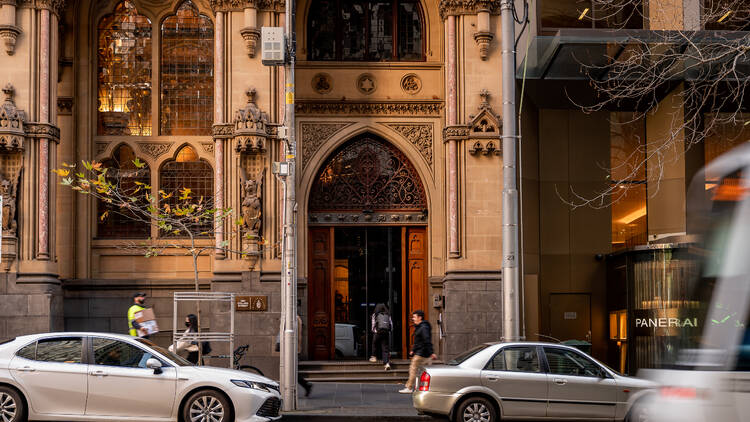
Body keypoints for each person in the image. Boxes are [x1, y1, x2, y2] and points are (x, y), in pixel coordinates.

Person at [400, 310, 437, 394]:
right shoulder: (421, 326)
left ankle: (409, 387)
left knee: (413, 369)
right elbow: (418, 341)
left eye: (414, 317)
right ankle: (426, 387)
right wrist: (413, 350)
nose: (413, 319)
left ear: (420, 317)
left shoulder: (423, 328)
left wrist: (431, 352)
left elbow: (426, 340)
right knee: (424, 372)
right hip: (423, 353)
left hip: (421, 354)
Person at [369, 303, 393, 371]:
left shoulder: (375, 314)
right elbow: (391, 324)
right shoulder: (388, 315)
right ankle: (386, 363)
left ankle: (374, 357)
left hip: (378, 332)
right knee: (385, 348)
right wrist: (389, 331)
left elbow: (373, 324)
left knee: (374, 343)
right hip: (385, 333)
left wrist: (374, 331)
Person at [297, 313, 312, 397]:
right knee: (293, 372)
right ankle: (306, 386)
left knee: (293, 372)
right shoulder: (296, 319)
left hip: (293, 349)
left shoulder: (294, 319)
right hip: (295, 349)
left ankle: (306, 386)